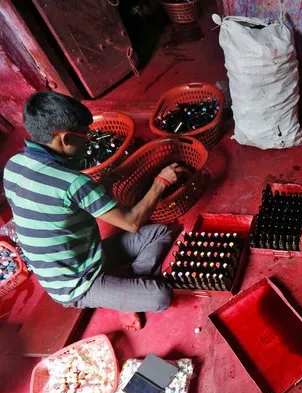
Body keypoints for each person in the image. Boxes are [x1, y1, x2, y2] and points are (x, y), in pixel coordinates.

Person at [3, 91, 187, 330]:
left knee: (160, 233)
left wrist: (106, 183)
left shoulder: (14, 165)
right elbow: (131, 223)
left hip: (85, 254)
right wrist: (161, 182)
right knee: (161, 297)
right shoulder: (72, 182)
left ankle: (126, 291)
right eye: (84, 134)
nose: (88, 139)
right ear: (66, 138)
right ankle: (126, 298)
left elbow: (62, 204)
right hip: (74, 284)